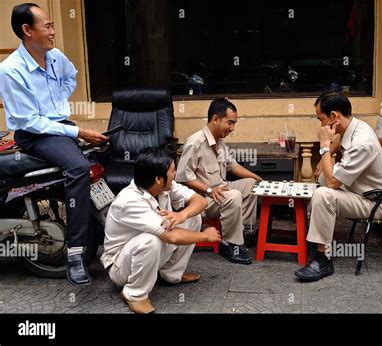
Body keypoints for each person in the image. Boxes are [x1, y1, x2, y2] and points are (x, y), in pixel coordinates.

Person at [0, 3, 108, 286]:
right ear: (27, 30)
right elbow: (30, 121)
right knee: (77, 166)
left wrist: (59, 104)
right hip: (35, 134)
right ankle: (75, 253)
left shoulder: (56, 56)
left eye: (52, 25)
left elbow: (71, 75)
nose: (53, 31)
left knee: (109, 146)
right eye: (47, 26)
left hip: (59, 127)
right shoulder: (10, 70)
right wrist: (76, 131)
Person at [101, 146, 221, 314]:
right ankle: (134, 294)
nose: (175, 173)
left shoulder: (165, 186)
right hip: (120, 266)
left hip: (149, 253)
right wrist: (205, 236)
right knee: (151, 240)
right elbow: (171, 237)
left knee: (193, 217)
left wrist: (182, 215)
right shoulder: (129, 201)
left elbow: (200, 201)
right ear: (158, 178)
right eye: (172, 170)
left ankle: (171, 275)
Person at [295, 91, 382, 282]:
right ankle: (315, 228)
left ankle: (323, 259)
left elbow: (333, 182)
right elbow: (340, 141)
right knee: (323, 178)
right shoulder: (355, 126)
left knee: (324, 194)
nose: (320, 124)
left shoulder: (361, 143)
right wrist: (328, 153)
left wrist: (324, 145)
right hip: (359, 191)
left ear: (334, 117)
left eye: (321, 119)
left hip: (376, 202)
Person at [176, 98, 262, 264]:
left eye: (234, 123)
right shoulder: (195, 143)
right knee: (234, 196)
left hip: (219, 190)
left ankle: (246, 231)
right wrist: (209, 190)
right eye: (230, 123)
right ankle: (228, 244)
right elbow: (182, 178)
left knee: (252, 185)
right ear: (215, 119)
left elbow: (233, 166)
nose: (232, 128)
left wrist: (258, 178)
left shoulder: (220, 142)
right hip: (203, 199)